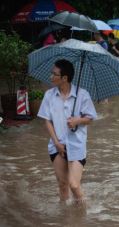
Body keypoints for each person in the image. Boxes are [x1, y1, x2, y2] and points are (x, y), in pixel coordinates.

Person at [37, 59, 97, 205]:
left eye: (54, 74)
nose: (51, 76)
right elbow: (47, 120)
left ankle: (83, 213)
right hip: (57, 146)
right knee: (62, 185)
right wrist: (56, 142)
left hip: (76, 145)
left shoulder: (82, 94)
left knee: (74, 185)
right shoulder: (49, 95)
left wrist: (78, 120)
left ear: (64, 78)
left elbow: (90, 118)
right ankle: (65, 217)